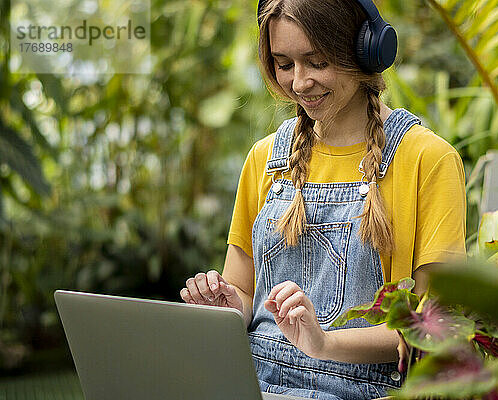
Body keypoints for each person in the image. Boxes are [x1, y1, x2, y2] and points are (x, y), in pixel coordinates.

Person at [180, 0, 466, 398]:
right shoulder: (265, 159)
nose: (299, 83)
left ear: (365, 51)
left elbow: (431, 323)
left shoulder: (426, 159)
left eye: (316, 62)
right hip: (251, 382)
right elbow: (244, 292)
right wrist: (227, 307)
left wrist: (324, 344)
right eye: (284, 64)